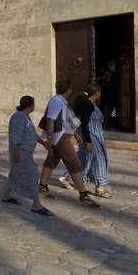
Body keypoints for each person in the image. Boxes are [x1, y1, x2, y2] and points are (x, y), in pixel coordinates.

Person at [38, 80, 100, 209]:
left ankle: (42, 187)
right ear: (68, 90)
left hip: (60, 136)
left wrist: (75, 133)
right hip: (60, 138)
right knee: (75, 163)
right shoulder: (56, 101)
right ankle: (83, 195)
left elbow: (66, 121)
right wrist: (49, 139)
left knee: (52, 160)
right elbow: (50, 120)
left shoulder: (60, 101)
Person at [1, 96, 53, 216]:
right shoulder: (19, 117)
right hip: (21, 151)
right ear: (30, 105)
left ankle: (6, 194)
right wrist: (15, 152)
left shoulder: (26, 117)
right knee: (33, 175)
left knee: (15, 173)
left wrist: (44, 143)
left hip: (26, 152)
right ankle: (36, 205)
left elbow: (32, 134)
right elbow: (15, 135)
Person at [61, 84, 113, 199]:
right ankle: (99, 187)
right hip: (90, 136)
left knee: (84, 159)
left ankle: (66, 177)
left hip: (95, 136)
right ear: (97, 93)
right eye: (100, 92)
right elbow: (84, 124)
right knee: (98, 159)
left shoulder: (91, 104)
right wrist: (88, 142)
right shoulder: (87, 105)